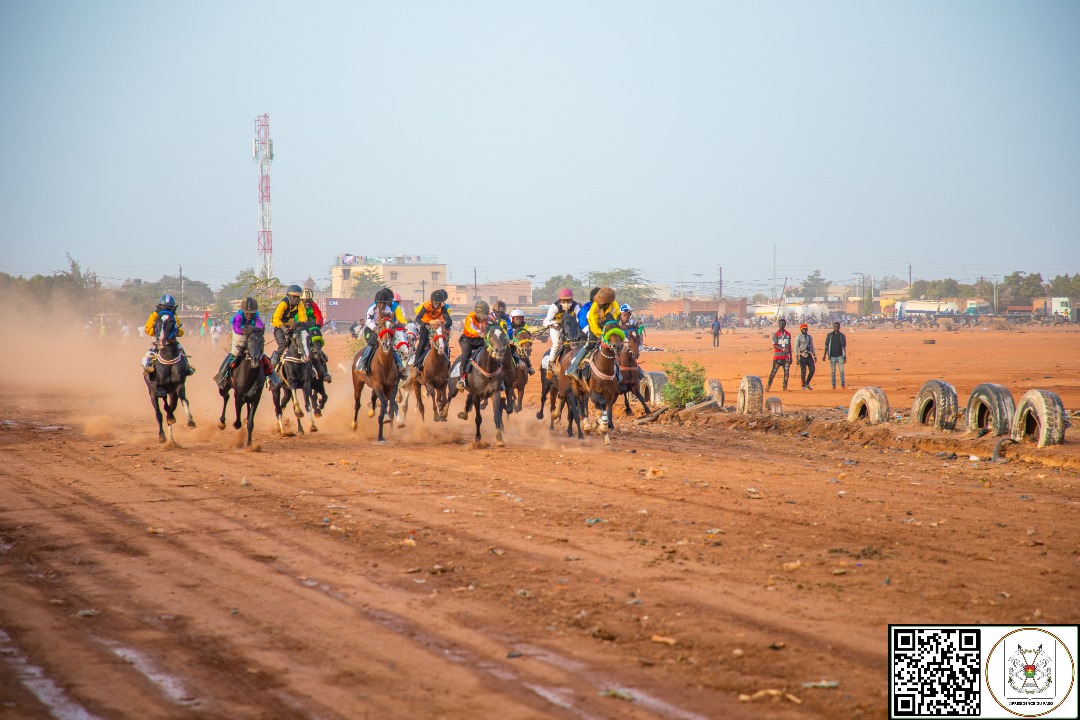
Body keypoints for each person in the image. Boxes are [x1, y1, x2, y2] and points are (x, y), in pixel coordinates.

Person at [217, 297, 282, 389]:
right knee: (234, 353)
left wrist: (254, 330)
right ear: (243, 311)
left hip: (251, 337)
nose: (249, 315)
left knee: (261, 355)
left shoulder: (256, 317)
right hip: (239, 337)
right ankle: (221, 377)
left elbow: (259, 326)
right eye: (247, 313)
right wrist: (245, 331)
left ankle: (273, 378)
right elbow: (236, 329)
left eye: (251, 313)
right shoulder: (238, 317)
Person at [568, 287, 619, 381]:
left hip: (608, 328)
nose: (599, 305)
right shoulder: (592, 309)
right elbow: (593, 325)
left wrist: (608, 333)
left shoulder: (615, 306)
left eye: (602, 304)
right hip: (591, 329)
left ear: (609, 303)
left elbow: (613, 321)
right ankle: (572, 368)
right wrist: (601, 335)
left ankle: (618, 373)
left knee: (617, 345)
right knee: (589, 345)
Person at [141, 294, 196, 375]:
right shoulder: (154, 315)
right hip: (158, 338)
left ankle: (187, 367)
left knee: (181, 350)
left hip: (171, 339)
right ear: (160, 306)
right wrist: (157, 333)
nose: (166, 308)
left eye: (169, 307)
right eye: (164, 306)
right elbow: (148, 328)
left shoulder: (174, 316)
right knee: (152, 351)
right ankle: (148, 365)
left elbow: (180, 330)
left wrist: (177, 332)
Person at [359, 288, 406, 374]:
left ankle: (399, 364)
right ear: (376, 302)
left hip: (382, 329)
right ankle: (362, 365)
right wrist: (375, 328)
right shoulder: (372, 309)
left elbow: (388, 320)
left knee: (390, 345)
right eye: (380, 303)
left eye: (384, 303)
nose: (382, 305)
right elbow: (368, 321)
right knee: (372, 344)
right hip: (370, 330)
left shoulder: (388, 309)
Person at [411, 289, 453, 369]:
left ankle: (447, 365)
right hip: (426, 325)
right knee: (422, 344)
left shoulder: (443, 307)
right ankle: (416, 365)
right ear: (432, 301)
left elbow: (449, 321)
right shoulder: (426, 305)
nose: (437, 305)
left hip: (438, 326)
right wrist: (426, 326)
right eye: (435, 303)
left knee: (444, 344)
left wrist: (443, 325)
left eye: (439, 303)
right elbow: (418, 319)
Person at [541, 288, 580, 371]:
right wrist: (553, 325)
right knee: (557, 344)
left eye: (568, 300)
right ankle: (551, 363)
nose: (566, 303)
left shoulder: (575, 306)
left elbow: (580, 318)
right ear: (560, 300)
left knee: (578, 342)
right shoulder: (554, 307)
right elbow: (546, 321)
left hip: (571, 326)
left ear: (572, 300)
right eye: (564, 300)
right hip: (557, 326)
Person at [270, 284, 308, 368]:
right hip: (279, 326)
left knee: (301, 340)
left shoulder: (300, 304)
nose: (296, 299)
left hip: (291, 326)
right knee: (283, 344)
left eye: (298, 297)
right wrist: (283, 328)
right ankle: (272, 365)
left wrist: (297, 324)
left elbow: (303, 319)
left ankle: (307, 363)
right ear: (288, 296)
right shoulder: (283, 303)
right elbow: (275, 318)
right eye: (294, 297)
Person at [456, 300, 490, 390]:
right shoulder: (470, 317)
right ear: (477, 312)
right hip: (467, 340)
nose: (483, 318)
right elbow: (469, 329)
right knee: (466, 356)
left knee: (491, 352)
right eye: (481, 315)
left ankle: (497, 378)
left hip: (481, 340)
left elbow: (494, 326)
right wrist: (479, 333)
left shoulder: (489, 317)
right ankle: (462, 379)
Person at [299, 289, 331, 382]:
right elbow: (297, 319)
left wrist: (318, 324)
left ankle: (325, 372)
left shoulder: (314, 306)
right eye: (306, 301)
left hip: (313, 330)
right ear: (302, 301)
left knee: (318, 349)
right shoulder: (299, 308)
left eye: (309, 301)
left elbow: (319, 316)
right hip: (301, 331)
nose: (308, 303)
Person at [765, 318, 792, 391]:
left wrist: (791, 357)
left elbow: (789, 346)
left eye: (783, 324)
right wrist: (782, 349)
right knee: (773, 372)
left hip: (786, 357)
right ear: (778, 325)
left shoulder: (788, 334)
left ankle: (785, 387)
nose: (782, 325)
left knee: (786, 373)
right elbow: (775, 345)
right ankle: (768, 386)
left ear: (785, 325)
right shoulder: (775, 334)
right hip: (777, 357)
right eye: (780, 324)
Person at [508, 308, 535, 375]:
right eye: (517, 319)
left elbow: (527, 335)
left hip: (521, 346)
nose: (519, 320)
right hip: (511, 345)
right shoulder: (509, 326)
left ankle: (529, 367)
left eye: (520, 319)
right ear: (512, 319)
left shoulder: (524, 326)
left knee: (525, 352)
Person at [822, 321, 847, 389]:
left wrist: (845, 356)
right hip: (832, 356)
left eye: (837, 326)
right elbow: (826, 346)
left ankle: (842, 385)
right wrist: (824, 355)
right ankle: (833, 385)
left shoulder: (842, 336)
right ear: (833, 327)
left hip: (840, 356)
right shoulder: (829, 335)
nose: (836, 328)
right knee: (833, 372)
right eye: (835, 326)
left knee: (841, 371)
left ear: (839, 327)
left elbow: (844, 347)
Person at [795, 323, 816, 390]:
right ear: (801, 330)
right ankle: (803, 384)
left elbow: (812, 346)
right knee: (803, 371)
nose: (805, 330)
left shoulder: (810, 337)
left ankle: (807, 382)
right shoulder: (798, 337)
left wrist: (814, 355)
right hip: (802, 355)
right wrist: (797, 357)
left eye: (806, 329)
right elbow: (796, 347)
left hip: (809, 355)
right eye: (803, 329)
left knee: (812, 369)